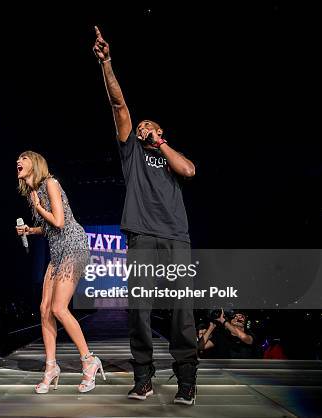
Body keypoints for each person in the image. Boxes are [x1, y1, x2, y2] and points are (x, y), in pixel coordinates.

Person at [93, 26, 198, 405]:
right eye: (140, 128)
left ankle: (187, 380)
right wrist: (106, 62)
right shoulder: (132, 154)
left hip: (176, 238)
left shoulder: (168, 154)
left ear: (160, 131)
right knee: (139, 311)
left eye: (148, 126)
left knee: (182, 311)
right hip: (141, 235)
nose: (143, 128)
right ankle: (143, 378)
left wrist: (161, 142)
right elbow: (119, 106)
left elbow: (188, 171)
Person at [16, 151, 104, 394]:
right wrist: (29, 231)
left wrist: (37, 208)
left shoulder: (50, 183)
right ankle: (51, 367)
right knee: (44, 308)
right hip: (57, 252)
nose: (18, 163)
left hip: (74, 247)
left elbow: (60, 222)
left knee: (58, 308)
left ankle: (89, 361)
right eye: (17, 161)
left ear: (35, 163)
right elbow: (48, 230)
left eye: (22, 159)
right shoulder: (33, 192)